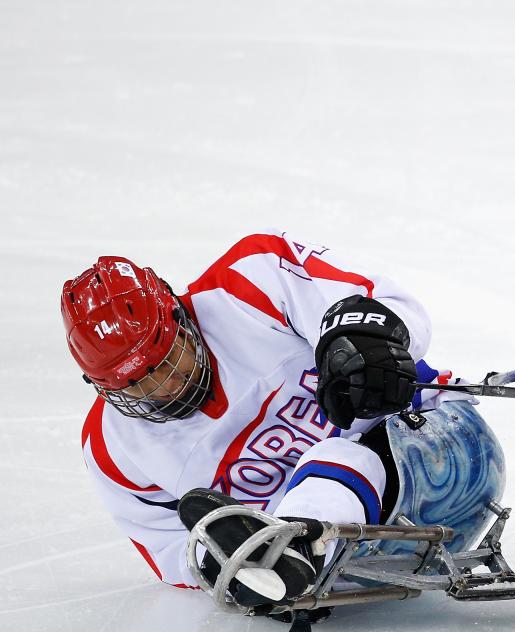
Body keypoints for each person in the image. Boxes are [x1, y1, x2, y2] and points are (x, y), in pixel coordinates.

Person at [61, 229, 473, 610]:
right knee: (237, 521)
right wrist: (224, 565)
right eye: (132, 385)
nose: (161, 388)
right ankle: (283, 560)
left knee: (340, 456)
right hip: (345, 568)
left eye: (165, 361)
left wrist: (365, 344)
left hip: (446, 465)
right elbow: (168, 548)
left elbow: (382, 302)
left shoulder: (253, 280)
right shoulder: (112, 447)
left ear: (178, 316)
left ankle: (289, 551)